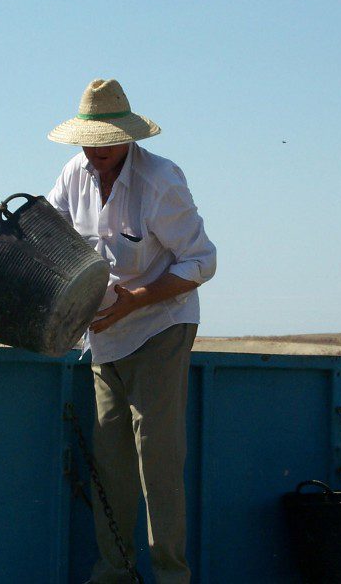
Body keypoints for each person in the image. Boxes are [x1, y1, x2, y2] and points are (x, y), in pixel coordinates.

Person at [46, 79, 216, 584]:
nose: (95, 150)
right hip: (103, 335)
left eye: (105, 140)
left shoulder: (160, 179)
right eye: (88, 140)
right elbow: (50, 235)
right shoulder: (73, 174)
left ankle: (170, 576)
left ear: (127, 135)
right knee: (111, 465)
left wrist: (136, 300)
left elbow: (201, 262)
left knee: (158, 460)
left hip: (160, 328)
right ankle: (114, 574)